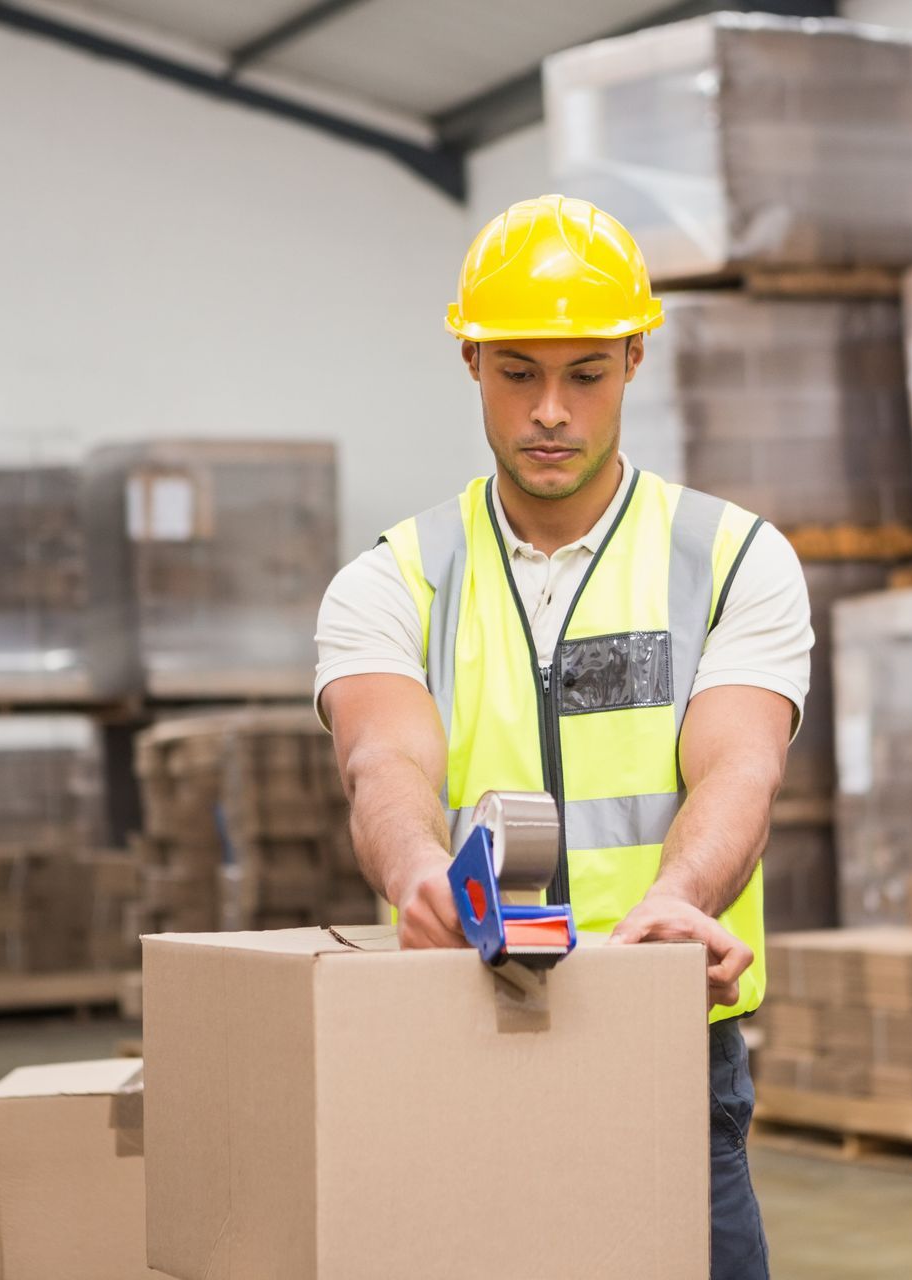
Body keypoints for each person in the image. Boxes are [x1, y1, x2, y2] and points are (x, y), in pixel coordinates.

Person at [314, 193, 812, 1280]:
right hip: (456, 1035)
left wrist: (683, 895)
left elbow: (739, 761)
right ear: (470, 359)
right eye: (517, 372)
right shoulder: (396, 577)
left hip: (667, 1044)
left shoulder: (729, 557)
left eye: (584, 373)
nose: (550, 409)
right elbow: (383, 760)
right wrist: (417, 873)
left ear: (635, 357)